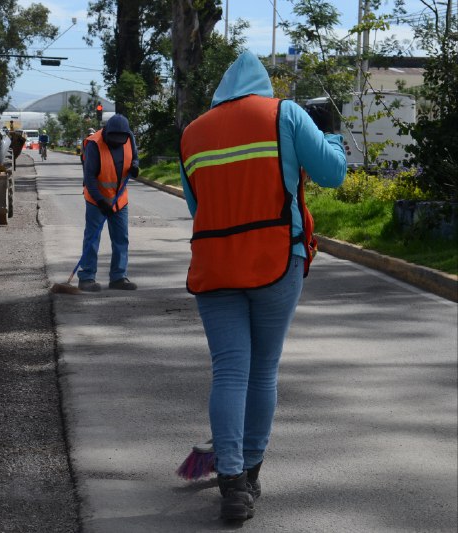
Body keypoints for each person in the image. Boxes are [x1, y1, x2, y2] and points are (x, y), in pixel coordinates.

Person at [178, 51, 346, 521]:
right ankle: (249, 475)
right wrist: (329, 137)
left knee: (230, 371)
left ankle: (229, 479)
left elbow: (199, 206)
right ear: (263, 85)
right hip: (275, 259)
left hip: (214, 265)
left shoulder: (192, 133)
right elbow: (333, 173)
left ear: (221, 91)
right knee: (262, 371)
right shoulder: (284, 115)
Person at [78, 113, 140, 292]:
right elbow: (89, 177)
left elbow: (134, 157)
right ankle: (87, 277)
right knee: (92, 237)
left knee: (121, 239)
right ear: (106, 133)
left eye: (121, 139)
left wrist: (135, 166)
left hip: (120, 199)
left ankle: (118, 277)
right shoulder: (94, 145)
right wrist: (100, 200)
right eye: (114, 139)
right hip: (97, 200)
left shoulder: (128, 138)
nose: (117, 142)